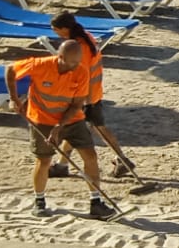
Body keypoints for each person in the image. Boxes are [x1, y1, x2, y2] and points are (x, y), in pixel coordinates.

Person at [10, 40, 118, 219]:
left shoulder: (81, 71)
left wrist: (59, 127)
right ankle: (39, 201)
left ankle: (96, 202)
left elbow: (77, 105)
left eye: (78, 61)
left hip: (71, 120)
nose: (75, 66)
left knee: (90, 156)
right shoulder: (40, 65)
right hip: (41, 120)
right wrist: (14, 98)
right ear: (60, 57)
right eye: (71, 62)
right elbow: (10, 70)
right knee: (44, 161)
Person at [47, 11, 136, 179]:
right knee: (83, 129)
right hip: (92, 94)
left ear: (65, 29)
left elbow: (80, 74)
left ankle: (122, 160)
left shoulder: (79, 47)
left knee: (88, 129)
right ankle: (62, 165)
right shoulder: (85, 37)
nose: (55, 33)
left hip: (85, 97)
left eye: (56, 30)